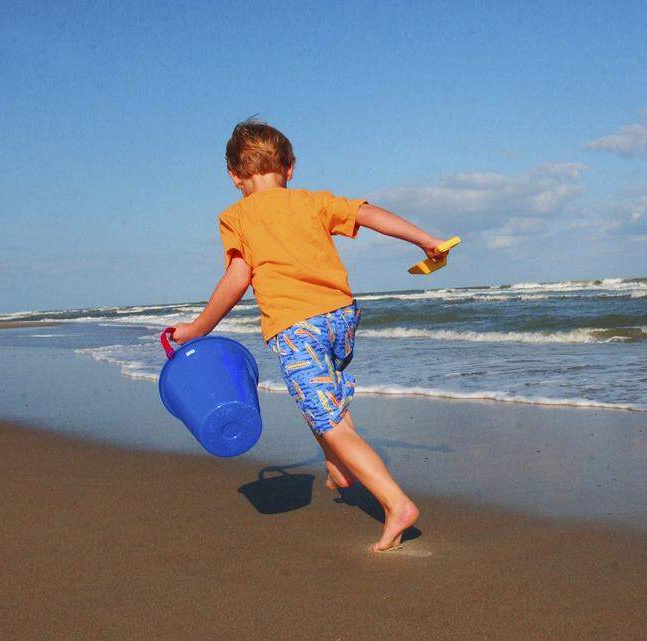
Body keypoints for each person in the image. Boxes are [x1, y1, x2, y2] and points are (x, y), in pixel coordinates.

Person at [171, 118, 446, 551]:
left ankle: (396, 503)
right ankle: (339, 467)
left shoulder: (236, 216)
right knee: (324, 400)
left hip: (296, 327)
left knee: (326, 417)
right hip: (341, 318)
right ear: (290, 168)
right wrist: (426, 240)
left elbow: (238, 276)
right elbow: (367, 214)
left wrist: (198, 327)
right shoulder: (313, 201)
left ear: (234, 176)